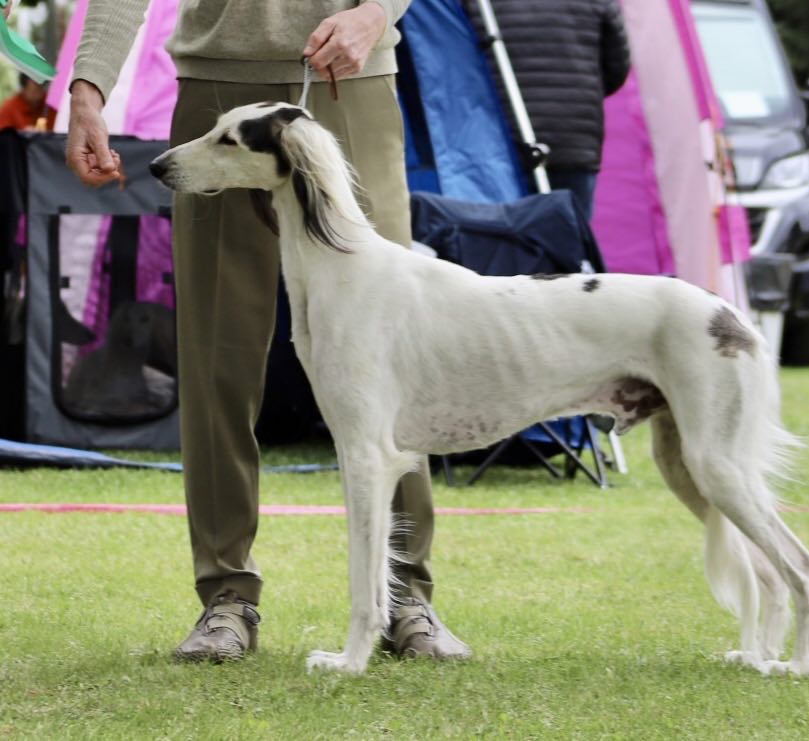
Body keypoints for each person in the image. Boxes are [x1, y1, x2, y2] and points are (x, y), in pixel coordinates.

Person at [64, 0, 470, 663]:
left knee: (394, 358)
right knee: (214, 354)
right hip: (217, 86)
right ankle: (225, 595)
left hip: (353, 79)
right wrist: (89, 88)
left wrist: (374, 15)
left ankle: (404, 595)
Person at [465, 0, 630, 219]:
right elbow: (616, 68)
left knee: (505, 235)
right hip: (573, 136)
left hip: (500, 139)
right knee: (571, 234)